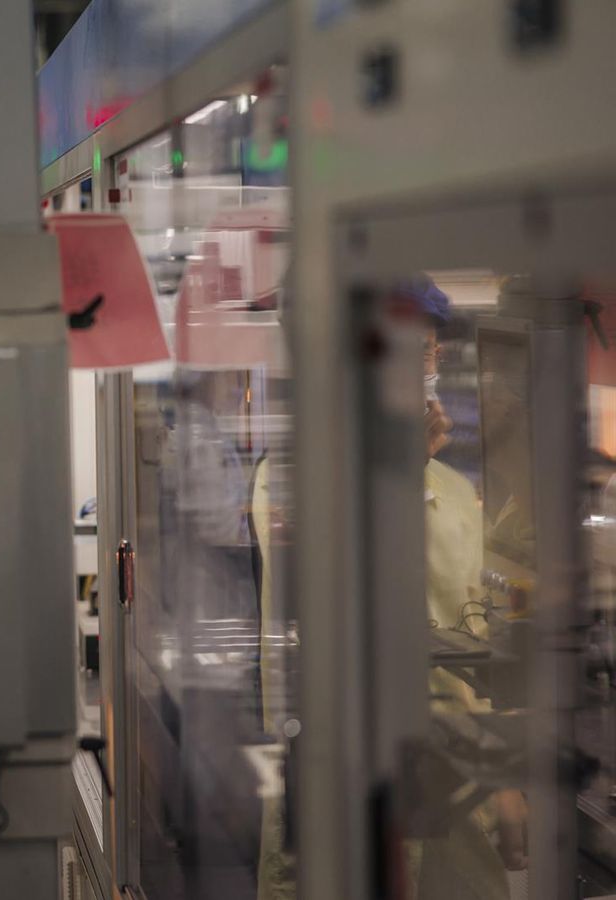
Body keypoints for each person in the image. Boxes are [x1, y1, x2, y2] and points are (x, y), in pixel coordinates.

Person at [252, 276, 524, 900]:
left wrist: (506, 782)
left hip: (456, 783)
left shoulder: (455, 491)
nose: (422, 368)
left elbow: (472, 640)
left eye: (428, 352)